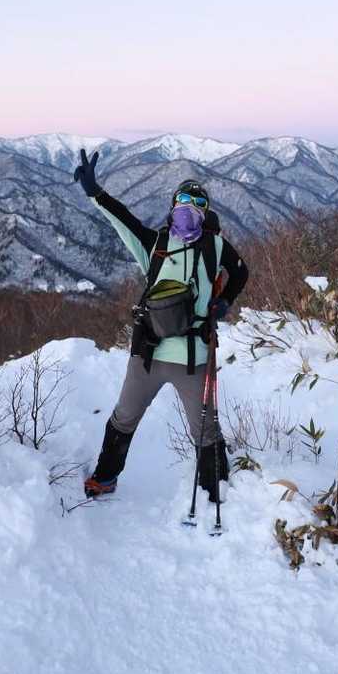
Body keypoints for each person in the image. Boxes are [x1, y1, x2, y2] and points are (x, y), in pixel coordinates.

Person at [73, 148, 250, 500]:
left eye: (198, 202)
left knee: (205, 429)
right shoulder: (156, 244)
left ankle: (215, 489)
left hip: (192, 357)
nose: (190, 207)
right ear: (173, 205)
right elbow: (122, 219)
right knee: (124, 417)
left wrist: (225, 301)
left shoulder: (216, 246)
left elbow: (241, 271)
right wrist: (95, 192)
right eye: (183, 200)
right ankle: (105, 478)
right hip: (149, 354)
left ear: (206, 211)